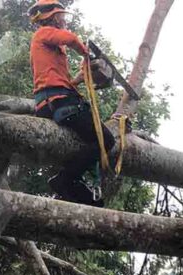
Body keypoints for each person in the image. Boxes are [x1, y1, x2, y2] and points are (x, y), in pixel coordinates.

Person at [28, 0, 115, 207]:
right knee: (107, 141)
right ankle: (65, 179)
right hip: (60, 102)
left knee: (84, 144)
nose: (65, 20)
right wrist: (86, 52)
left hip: (54, 100)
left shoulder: (50, 46)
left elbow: (63, 80)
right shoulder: (44, 33)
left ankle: (74, 188)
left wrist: (83, 76)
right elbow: (71, 38)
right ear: (54, 17)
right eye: (62, 16)